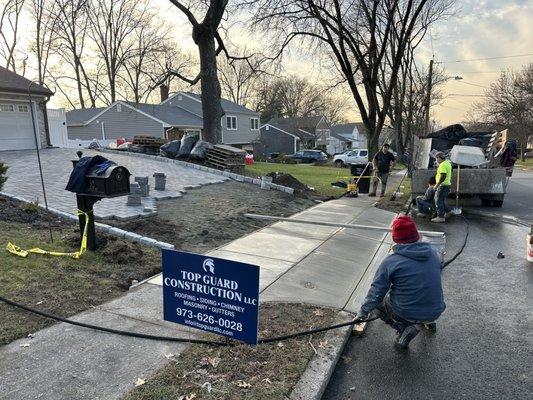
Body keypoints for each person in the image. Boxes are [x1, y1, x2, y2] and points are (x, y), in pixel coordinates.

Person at [356, 215, 446, 349]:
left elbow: (375, 293)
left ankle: (403, 328)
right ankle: (428, 321)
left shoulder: (391, 262)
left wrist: (362, 314)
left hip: (408, 312)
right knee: (422, 286)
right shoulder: (434, 254)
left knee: (377, 304)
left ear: (395, 238)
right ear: (416, 235)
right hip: (435, 310)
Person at [432, 152, 452, 223]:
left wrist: (437, 185)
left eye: (436, 158)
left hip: (442, 186)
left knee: (438, 200)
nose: (436, 160)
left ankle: (440, 217)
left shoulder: (442, 165)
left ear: (439, 158)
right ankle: (448, 211)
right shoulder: (448, 163)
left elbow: (443, 176)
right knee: (441, 200)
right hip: (447, 185)